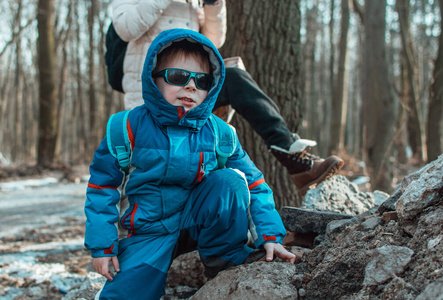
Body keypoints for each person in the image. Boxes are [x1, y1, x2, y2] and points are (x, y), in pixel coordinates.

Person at [85, 29, 295, 300]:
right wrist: (103, 246)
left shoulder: (220, 133)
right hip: (151, 231)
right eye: (178, 77)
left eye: (202, 80)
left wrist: (269, 235)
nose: (191, 86)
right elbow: (102, 188)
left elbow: (254, 184)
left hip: (199, 219)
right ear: (153, 78)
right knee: (123, 294)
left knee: (230, 181)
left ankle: (225, 260)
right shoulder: (126, 127)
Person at [111, 0, 344, 195]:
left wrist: (213, 6)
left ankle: (291, 155)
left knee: (233, 77)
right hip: (154, 93)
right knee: (168, 179)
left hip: (191, 90)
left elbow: (214, 40)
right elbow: (125, 28)